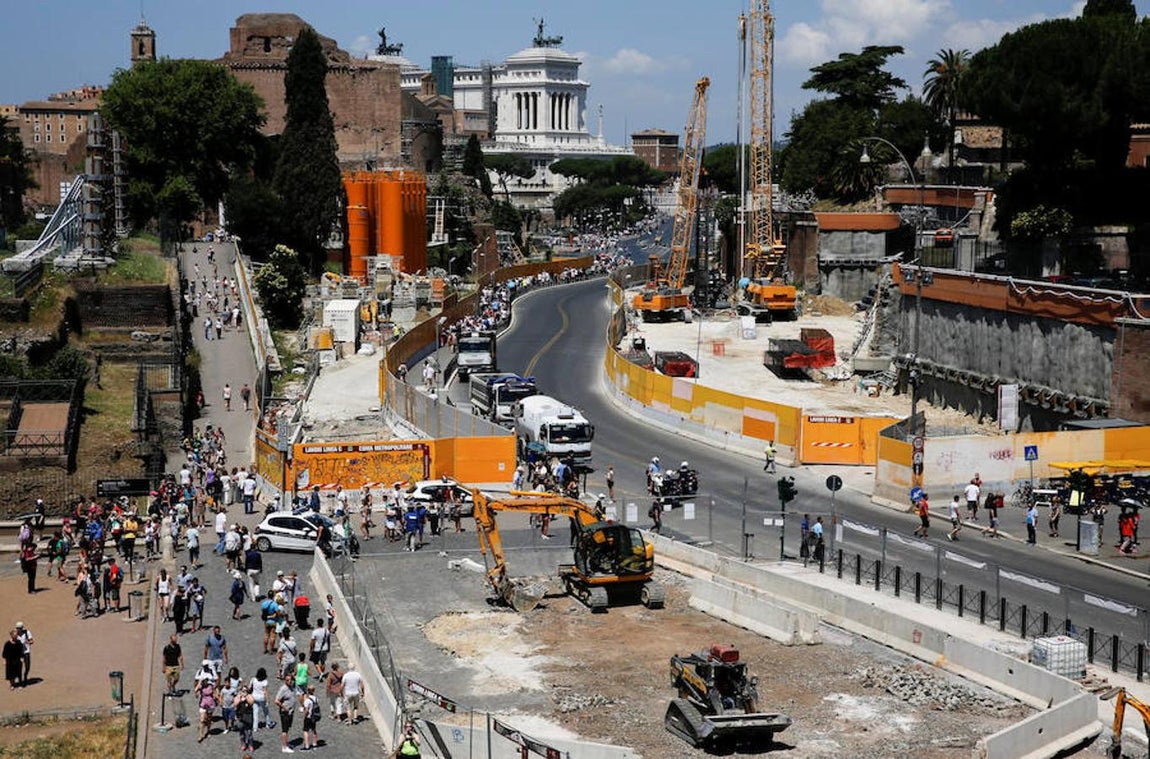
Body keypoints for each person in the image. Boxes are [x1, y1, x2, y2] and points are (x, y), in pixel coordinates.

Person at [274, 673, 297, 753]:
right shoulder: (283, 689)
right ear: (285, 681)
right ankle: (284, 747)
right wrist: (284, 708)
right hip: (285, 713)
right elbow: (276, 701)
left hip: (290, 712)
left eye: (290, 680)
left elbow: (295, 681)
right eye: (287, 680)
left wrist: (293, 677)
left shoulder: (291, 686)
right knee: (285, 730)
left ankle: (286, 743)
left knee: (287, 728)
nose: (289, 681)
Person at [300, 684, 321, 751]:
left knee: (305, 731)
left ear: (308, 691)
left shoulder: (307, 700)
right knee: (314, 730)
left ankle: (307, 746)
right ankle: (315, 744)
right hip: (314, 717)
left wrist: (304, 716)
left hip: (308, 717)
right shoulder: (316, 699)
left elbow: (306, 710)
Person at [15, 622, 33, 687]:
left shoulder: (27, 632)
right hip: (18, 654)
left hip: (26, 652)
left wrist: (27, 642)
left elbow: (32, 641)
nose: (18, 629)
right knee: (18, 668)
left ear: (22, 628)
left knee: (27, 667)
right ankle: (20, 682)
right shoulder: (15, 634)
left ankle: (25, 676)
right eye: (17, 628)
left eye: (20, 628)